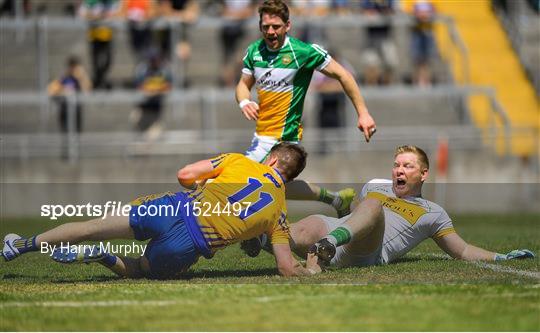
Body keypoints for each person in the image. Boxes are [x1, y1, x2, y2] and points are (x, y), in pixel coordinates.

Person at [1, 143, 322, 279]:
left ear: (272, 160)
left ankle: (20, 245)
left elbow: (185, 174)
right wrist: (311, 269)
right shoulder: (279, 209)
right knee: (140, 269)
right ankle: (102, 256)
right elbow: (285, 268)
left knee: (92, 224)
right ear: (290, 176)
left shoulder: (240, 160)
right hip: (191, 244)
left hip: (174, 208)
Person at [245, 145, 536, 266]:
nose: (398, 170)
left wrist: (500, 257)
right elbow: (352, 216)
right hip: (342, 232)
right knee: (308, 223)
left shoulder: (433, 212)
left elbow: (461, 250)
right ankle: (259, 238)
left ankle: (325, 247)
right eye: (396, 165)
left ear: (423, 174)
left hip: (369, 251)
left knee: (373, 207)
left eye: (407, 166)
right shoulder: (375, 185)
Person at [235, 0, 377, 218]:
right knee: (278, 184)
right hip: (261, 135)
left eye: (276, 27)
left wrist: (363, 113)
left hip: (286, 134)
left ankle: (261, 232)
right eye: (265, 27)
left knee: (251, 180)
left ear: (288, 26)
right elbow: (243, 85)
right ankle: (336, 199)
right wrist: (244, 101)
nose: (270, 32)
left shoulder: (303, 52)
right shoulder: (254, 51)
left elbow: (343, 74)